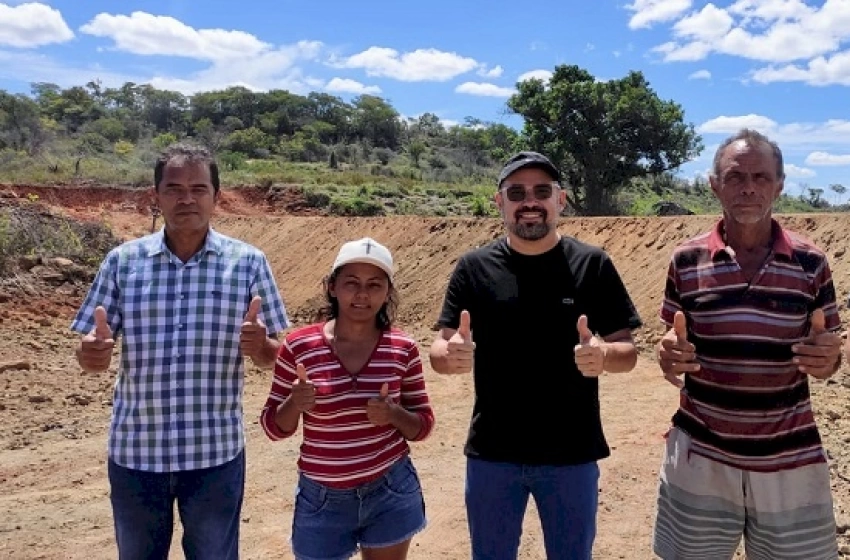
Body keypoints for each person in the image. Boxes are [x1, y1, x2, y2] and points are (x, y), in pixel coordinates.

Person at [72, 143, 289, 560]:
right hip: (136, 453)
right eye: (173, 188)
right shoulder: (122, 262)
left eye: (198, 188)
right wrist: (91, 354)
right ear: (155, 195)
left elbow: (277, 357)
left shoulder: (249, 263)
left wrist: (261, 346)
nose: (186, 199)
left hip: (214, 455)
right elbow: (90, 352)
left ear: (216, 196)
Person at [428, 151, 642, 560]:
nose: (530, 201)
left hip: (572, 455)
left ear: (560, 200)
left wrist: (603, 355)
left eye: (542, 191)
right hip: (493, 454)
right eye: (517, 193)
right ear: (500, 202)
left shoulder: (592, 264)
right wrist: (449, 355)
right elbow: (442, 347)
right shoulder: (473, 268)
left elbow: (627, 350)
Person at [653, 128, 843, 560]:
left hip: (789, 458)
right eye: (735, 177)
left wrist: (828, 359)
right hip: (701, 454)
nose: (749, 188)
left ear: (779, 185)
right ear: (714, 184)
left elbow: (827, 354)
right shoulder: (686, 260)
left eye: (761, 177)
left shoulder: (812, 263)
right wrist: (668, 355)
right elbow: (672, 341)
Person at [260, 237, 434, 560]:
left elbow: (423, 425)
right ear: (332, 286)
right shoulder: (298, 347)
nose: (362, 294)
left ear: (388, 292)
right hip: (321, 500)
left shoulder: (403, 348)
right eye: (351, 283)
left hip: (390, 491)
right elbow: (272, 427)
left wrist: (394, 414)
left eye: (374, 285)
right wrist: (294, 404)